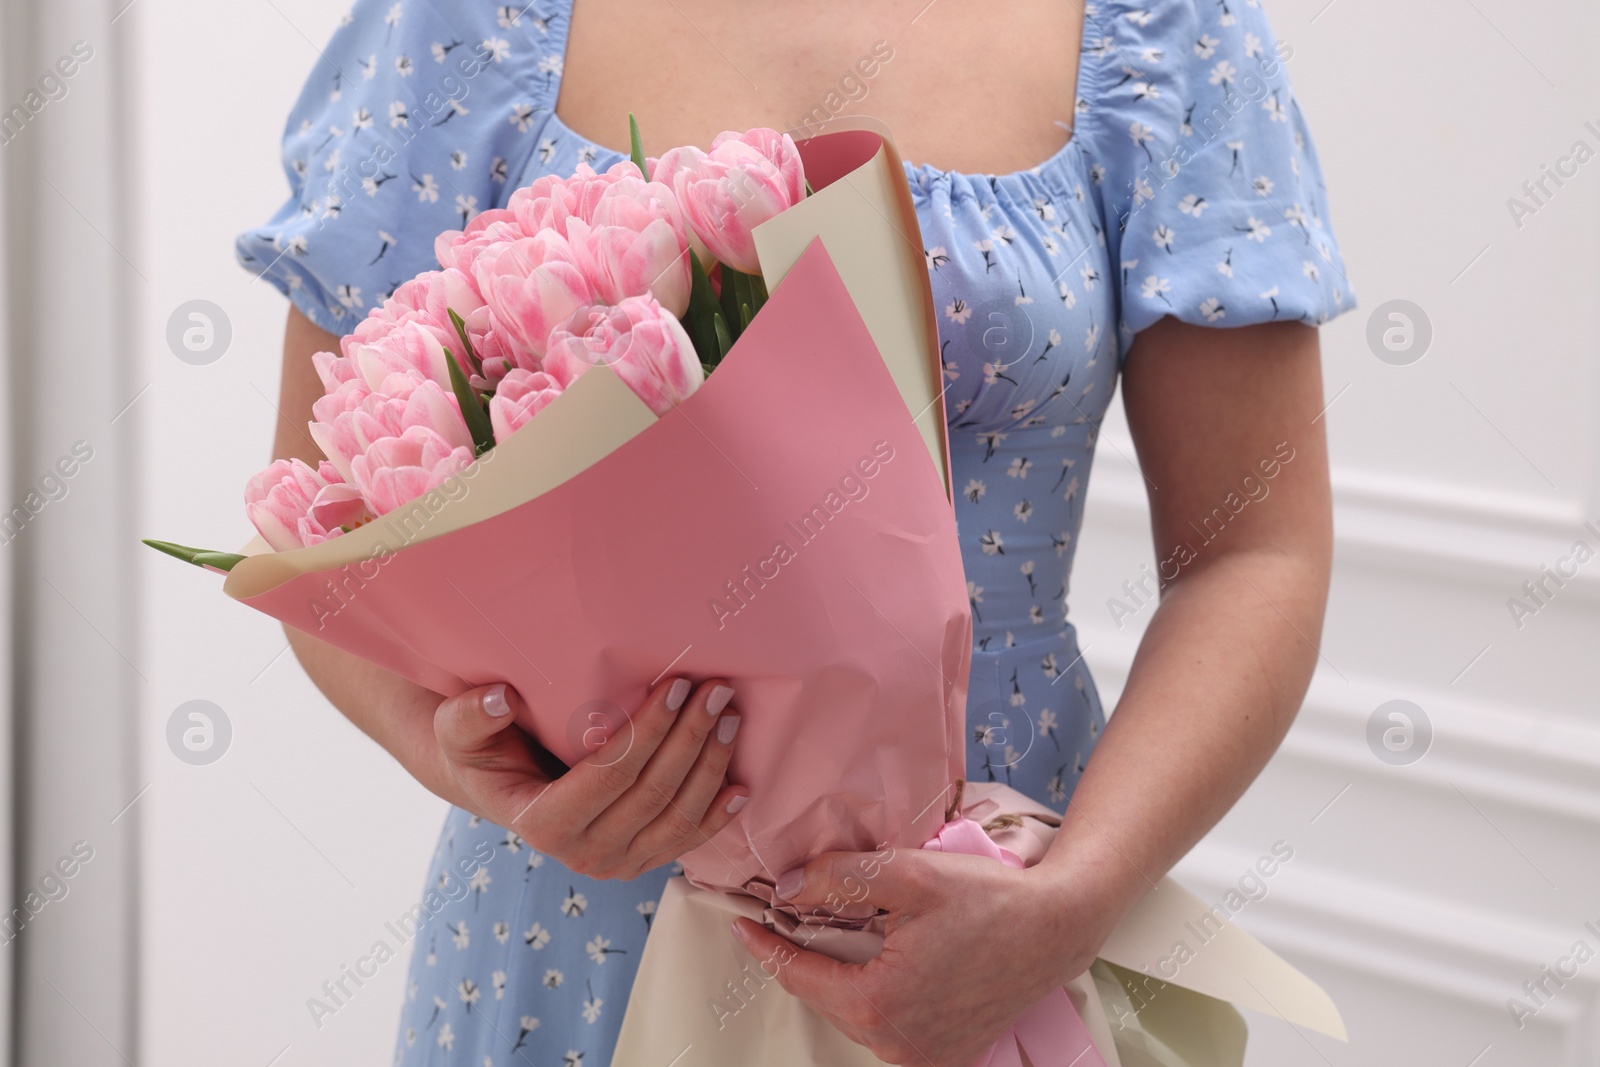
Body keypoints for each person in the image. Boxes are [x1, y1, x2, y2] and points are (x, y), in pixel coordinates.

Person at [238, 0, 1353, 1062]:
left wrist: (1071, 900)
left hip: (995, 908)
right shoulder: (464, 23)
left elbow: (1253, 551)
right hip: (569, 922)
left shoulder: (1161, 28)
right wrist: (470, 760)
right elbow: (326, 538)